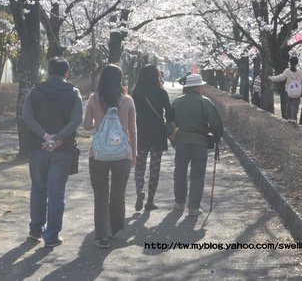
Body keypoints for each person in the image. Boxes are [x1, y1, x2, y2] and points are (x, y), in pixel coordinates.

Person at [22, 57, 83, 247]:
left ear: (48, 72)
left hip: (37, 147)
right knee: (56, 192)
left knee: (38, 189)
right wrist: (57, 139)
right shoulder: (74, 93)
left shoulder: (35, 91)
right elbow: (75, 121)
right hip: (62, 149)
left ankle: (35, 230)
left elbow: (27, 117)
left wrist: (45, 135)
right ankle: (52, 235)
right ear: (66, 73)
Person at [83, 64, 137, 248]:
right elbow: (132, 130)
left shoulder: (93, 98)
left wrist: (97, 119)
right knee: (117, 192)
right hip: (122, 153)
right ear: (120, 79)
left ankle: (103, 235)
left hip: (98, 153)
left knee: (100, 194)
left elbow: (87, 126)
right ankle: (114, 228)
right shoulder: (128, 100)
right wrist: (134, 152)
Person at [171, 73, 224, 216]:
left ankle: (179, 203)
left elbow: (170, 121)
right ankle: (193, 207)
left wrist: (172, 138)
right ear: (198, 87)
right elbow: (215, 123)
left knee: (180, 172)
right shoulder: (204, 101)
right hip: (199, 142)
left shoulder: (178, 101)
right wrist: (218, 136)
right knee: (197, 175)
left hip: (182, 142)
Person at [132, 65, 173, 211]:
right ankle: (150, 201)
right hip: (157, 133)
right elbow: (169, 114)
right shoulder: (162, 93)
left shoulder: (136, 93)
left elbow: (132, 113)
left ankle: (139, 192)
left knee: (140, 166)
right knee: (155, 167)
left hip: (141, 133)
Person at [268, 57, 302, 123]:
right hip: (297, 91)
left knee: (289, 104)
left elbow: (280, 77)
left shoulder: (287, 71)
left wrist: (271, 78)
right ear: (297, 63)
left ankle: (289, 118)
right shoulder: (300, 72)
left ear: (290, 63)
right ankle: (294, 118)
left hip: (289, 91)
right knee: (295, 105)